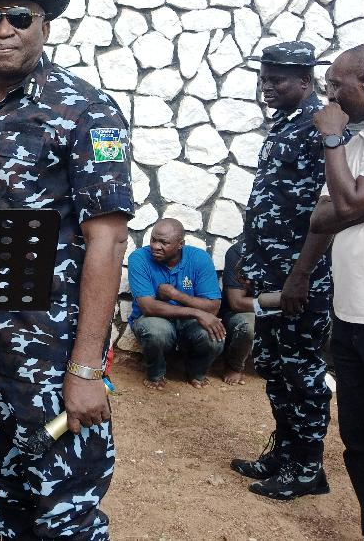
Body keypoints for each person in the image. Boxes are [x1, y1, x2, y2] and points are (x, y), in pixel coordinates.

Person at [0, 0, 134, 540]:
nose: (3, 29)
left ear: (45, 26)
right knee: (5, 487)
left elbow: (107, 239)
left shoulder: (84, 110)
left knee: (65, 503)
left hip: (48, 347)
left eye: (19, 17)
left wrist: (85, 369)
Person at [230, 41, 337, 500]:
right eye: (264, 77)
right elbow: (269, 204)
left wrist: (302, 274)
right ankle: (286, 453)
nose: (267, 86)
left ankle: (308, 468)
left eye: (277, 79)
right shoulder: (285, 124)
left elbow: (328, 206)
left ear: (304, 80)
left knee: (302, 370)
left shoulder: (323, 127)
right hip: (271, 270)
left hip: (300, 276)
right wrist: (253, 265)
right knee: (274, 364)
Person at [309, 42, 364, 538]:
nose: (330, 98)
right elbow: (323, 216)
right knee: (363, 446)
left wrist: (331, 143)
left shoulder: (360, 142)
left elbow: (341, 207)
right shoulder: (362, 145)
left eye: (335, 85)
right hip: (351, 322)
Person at [127, 219, 225, 390]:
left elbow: (213, 307)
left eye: (164, 242)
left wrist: (175, 294)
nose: (156, 246)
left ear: (180, 244)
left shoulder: (199, 259)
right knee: (156, 331)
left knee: (214, 335)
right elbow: (148, 307)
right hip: (155, 318)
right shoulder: (139, 259)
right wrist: (196, 312)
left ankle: (196, 372)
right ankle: (155, 373)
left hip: (188, 323)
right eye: (153, 240)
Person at [218, 241, 255, 386]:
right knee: (248, 326)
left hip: (278, 307)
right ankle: (234, 365)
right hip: (241, 312)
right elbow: (237, 302)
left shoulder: (295, 251)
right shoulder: (240, 251)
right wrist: (277, 302)